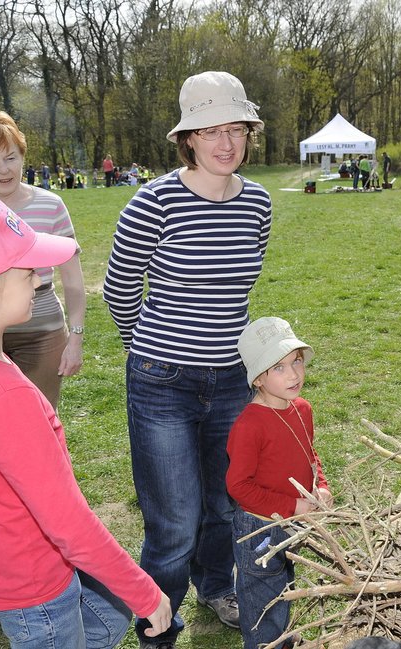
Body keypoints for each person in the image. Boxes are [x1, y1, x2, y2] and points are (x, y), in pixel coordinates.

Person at [0, 192, 172, 647]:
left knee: (107, 617)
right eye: (28, 272)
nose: (41, 279)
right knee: (115, 609)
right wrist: (144, 592)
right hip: (37, 587)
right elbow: (66, 521)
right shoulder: (5, 397)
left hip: (12, 571)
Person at [103, 70, 271, 649]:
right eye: (209, 131)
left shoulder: (259, 203)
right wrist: (143, 351)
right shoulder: (155, 200)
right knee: (173, 520)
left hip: (231, 381)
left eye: (235, 129)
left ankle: (216, 585)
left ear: (248, 134)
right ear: (188, 139)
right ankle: (158, 619)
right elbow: (120, 287)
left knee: (225, 503)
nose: (225, 143)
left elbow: (240, 289)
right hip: (162, 383)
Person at [0, 111, 85, 409]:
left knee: (38, 419)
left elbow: (73, 280)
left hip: (41, 333)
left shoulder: (51, 204)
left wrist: (76, 339)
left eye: (11, 157)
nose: (3, 169)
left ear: (23, 157)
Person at [227, 317, 331, 649]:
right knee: (262, 594)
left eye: (296, 362)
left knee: (283, 581)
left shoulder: (302, 409)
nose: (294, 374)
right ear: (258, 379)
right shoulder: (249, 426)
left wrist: (322, 487)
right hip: (259, 529)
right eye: (280, 368)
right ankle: (265, 642)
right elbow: (239, 487)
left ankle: (280, 636)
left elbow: (309, 454)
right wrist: (292, 505)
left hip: (293, 521)